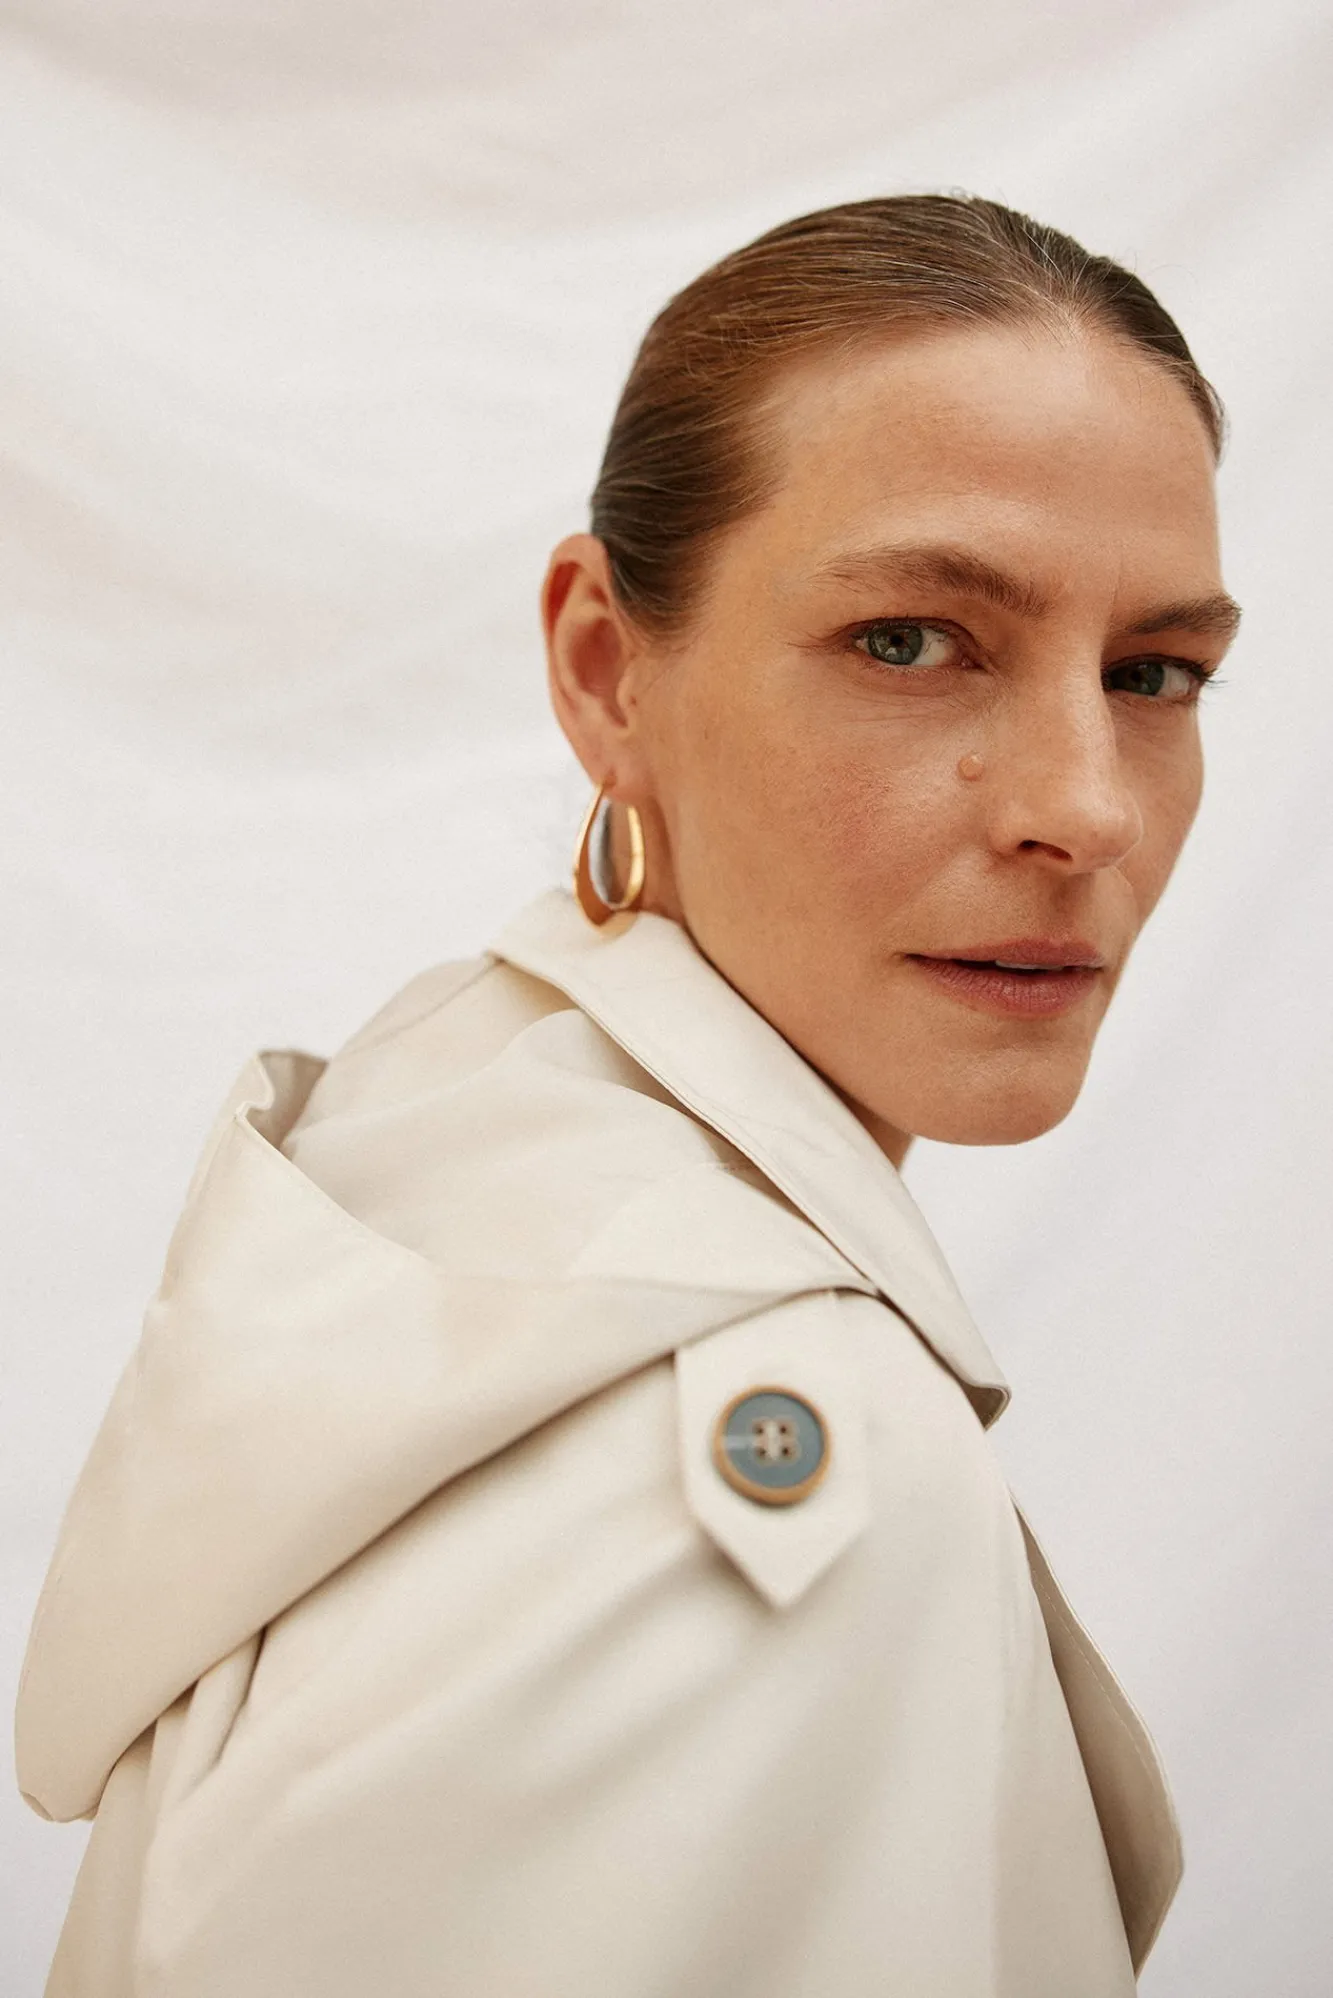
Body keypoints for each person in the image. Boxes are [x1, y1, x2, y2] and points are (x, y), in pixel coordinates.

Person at [16, 193, 1240, 1997]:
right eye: (912, 639)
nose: (1089, 804)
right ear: (607, 667)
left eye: (1154, 673)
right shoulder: (746, 1486)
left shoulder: (457, 1118)